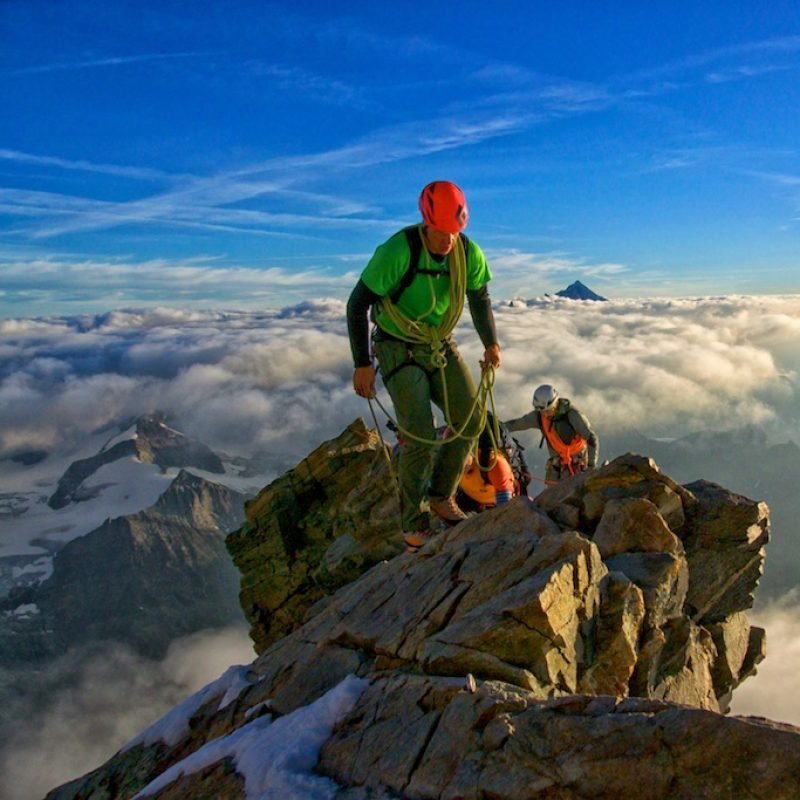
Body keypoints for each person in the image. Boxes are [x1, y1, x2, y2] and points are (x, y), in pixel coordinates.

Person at [347, 180, 501, 550]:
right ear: (426, 221)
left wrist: (490, 343)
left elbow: (479, 296)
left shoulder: (467, 252)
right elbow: (357, 304)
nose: (448, 240)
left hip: (438, 343)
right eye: (441, 231)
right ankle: (413, 523)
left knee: (472, 419)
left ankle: (440, 495)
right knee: (419, 434)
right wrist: (363, 363)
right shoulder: (398, 251)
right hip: (397, 346)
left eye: (454, 231)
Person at [504, 384, 598, 483]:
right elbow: (518, 424)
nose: (545, 414)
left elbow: (591, 438)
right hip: (558, 462)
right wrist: (499, 427)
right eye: (542, 411)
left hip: (578, 460)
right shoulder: (539, 417)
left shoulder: (572, 415)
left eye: (548, 411)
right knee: (553, 492)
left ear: (555, 403)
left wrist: (591, 467)